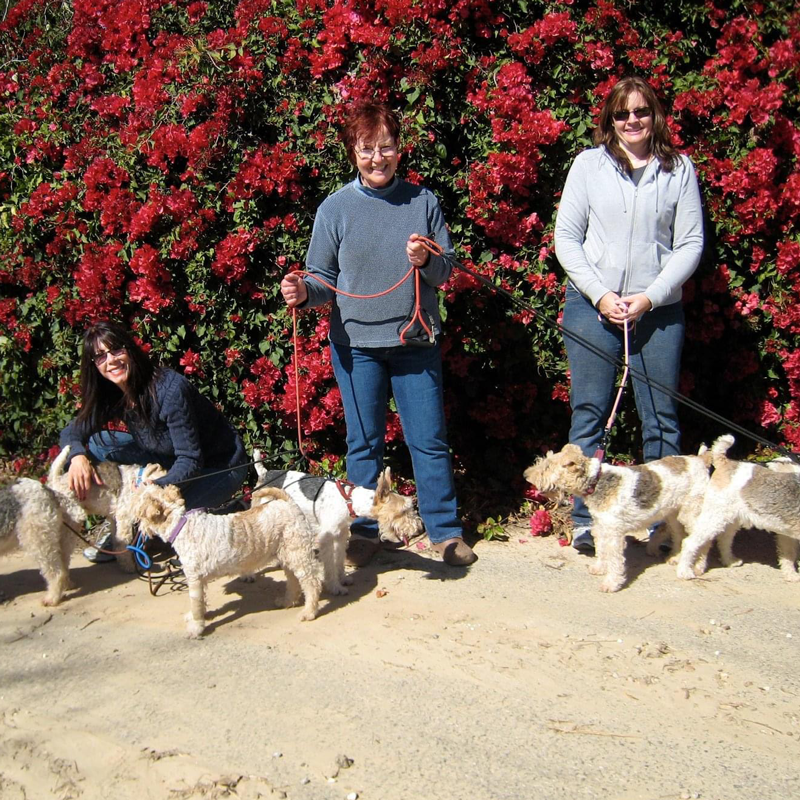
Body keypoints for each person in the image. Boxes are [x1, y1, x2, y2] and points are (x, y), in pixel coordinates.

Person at [280, 101, 476, 567]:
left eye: (386, 147)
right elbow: (320, 279)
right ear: (353, 152)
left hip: (415, 343)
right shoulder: (335, 209)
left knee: (428, 441)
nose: (377, 158)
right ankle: (365, 531)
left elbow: (446, 271)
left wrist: (427, 261)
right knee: (363, 444)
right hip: (356, 348)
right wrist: (300, 292)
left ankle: (444, 532)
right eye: (367, 149)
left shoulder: (423, 201)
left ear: (399, 149)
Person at [554, 76, 704, 553]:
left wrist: (652, 296)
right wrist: (599, 294)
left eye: (640, 111)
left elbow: (690, 243)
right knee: (590, 416)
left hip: (657, 310)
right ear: (609, 120)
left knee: (660, 419)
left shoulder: (678, 169)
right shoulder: (588, 166)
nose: (632, 121)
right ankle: (585, 522)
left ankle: (663, 524)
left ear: (654, 115)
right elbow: (567, 240)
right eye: (622, 114)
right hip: (590, 307)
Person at [59, 321, 248, 562]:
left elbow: (190, 459)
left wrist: (155, 488)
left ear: (130, 349)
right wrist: (77, 456)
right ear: (94, 365)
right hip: (166, 456)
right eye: (100, 356)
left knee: (165, 518)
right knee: (98, 443)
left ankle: (228, 510)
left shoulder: (170, 390)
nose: (111, 360)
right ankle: (126, 522)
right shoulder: (111, 392)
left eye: (116, 350)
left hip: (219, 467)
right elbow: (71, 432)